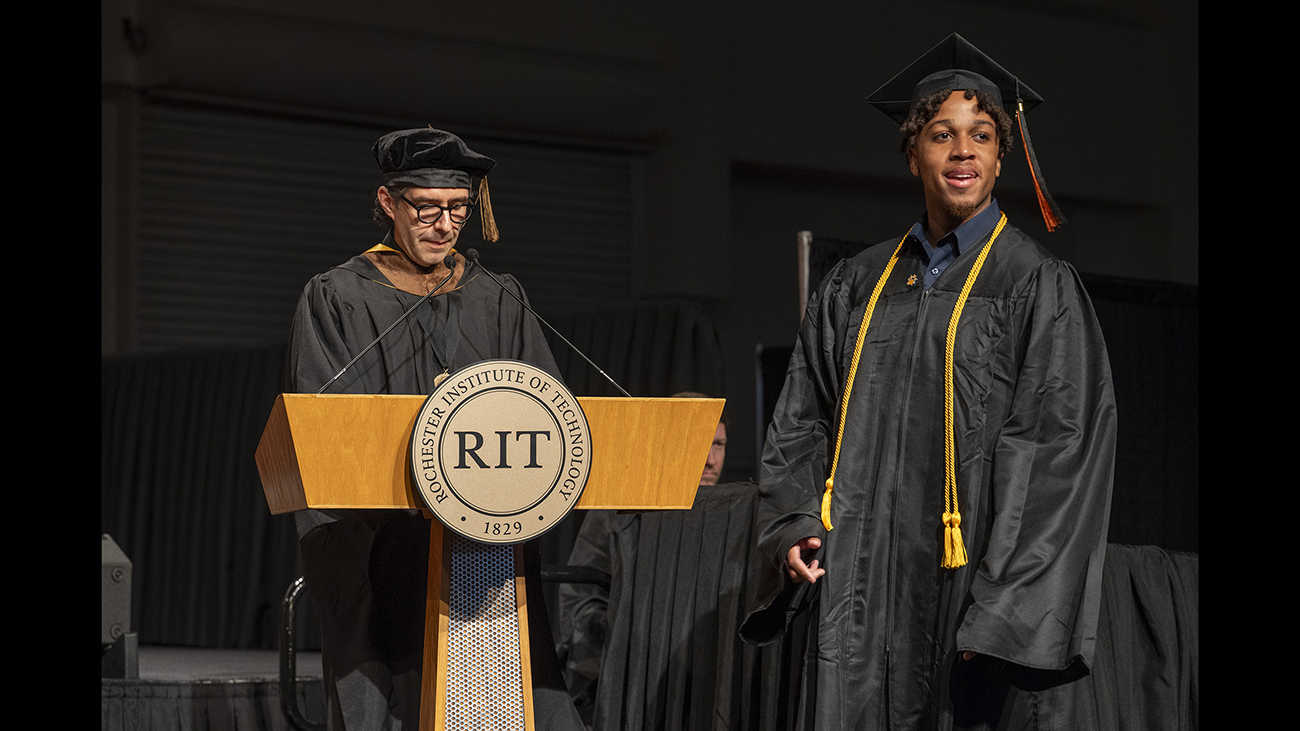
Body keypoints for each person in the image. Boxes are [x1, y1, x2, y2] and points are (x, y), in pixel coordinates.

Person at [739, 34, 1116, 730]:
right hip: (858, 584)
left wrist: (1004, 612)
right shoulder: (858, 283)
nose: (963, 151)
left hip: (967, 594)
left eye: (980, 135)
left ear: (1002, 155)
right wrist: (792, 522)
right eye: (942, 134)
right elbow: (801, 419)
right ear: (914, 153)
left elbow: (1057, 457)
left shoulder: (1034, 286)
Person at [287, 128, 583, 730]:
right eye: (426, 207)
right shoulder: (337, 295)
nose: (443, 224)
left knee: (496, 697)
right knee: (391, 688)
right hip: (379, 536)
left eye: (457, 209)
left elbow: (548, 413)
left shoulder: (498, 297)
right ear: (388, 202)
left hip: (483, 535)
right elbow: (327, 430)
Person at [556, 392, 728, 727]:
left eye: (719, 444)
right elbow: (579, 598)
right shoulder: (622, 510)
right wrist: (629, 643)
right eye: (701, 442)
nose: (711, 459)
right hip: (625, 681)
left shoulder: (733, 516)